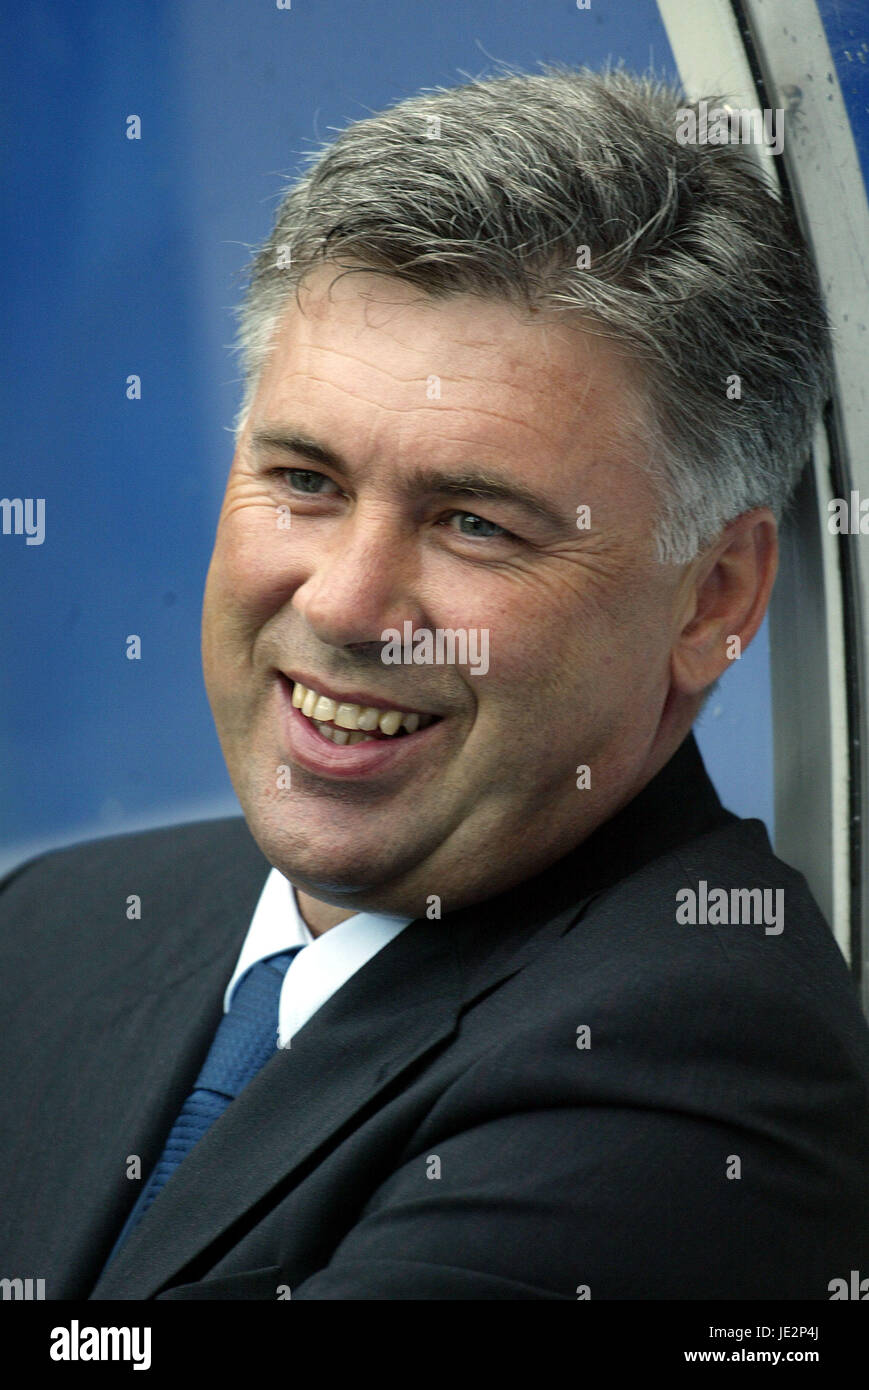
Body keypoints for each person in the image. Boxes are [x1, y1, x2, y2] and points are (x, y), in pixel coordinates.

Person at [1, 65, 868, 1302]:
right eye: (304, 480)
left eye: (472, 522)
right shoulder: (53, 922)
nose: (346, 605)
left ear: (712, 597)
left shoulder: (697, 1062)